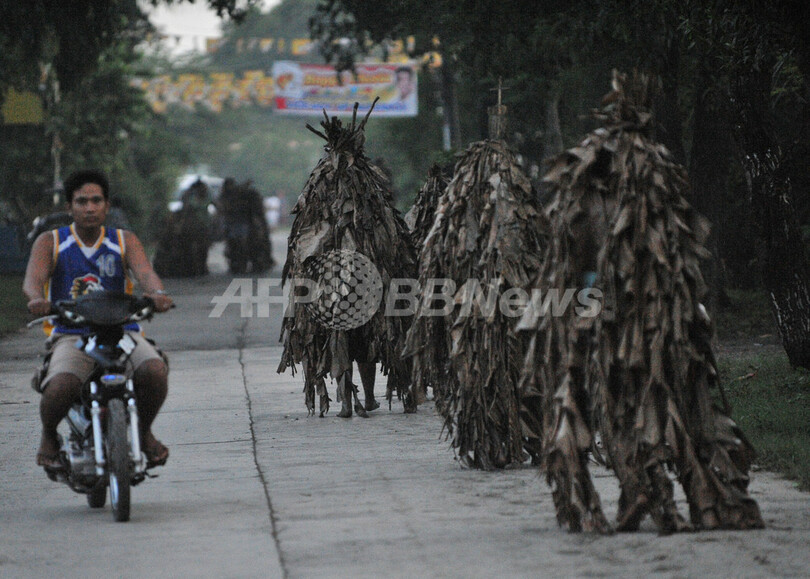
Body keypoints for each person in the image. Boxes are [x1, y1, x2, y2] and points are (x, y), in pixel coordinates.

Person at [23, 169, 174, 473]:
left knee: (155, 370)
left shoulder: (123, 240)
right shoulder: (51, 241)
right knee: (61, 384)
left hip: (121, 331)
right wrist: (37, 299)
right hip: (72, 334)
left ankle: (143, 432)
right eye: (82, 202)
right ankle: (49, 436)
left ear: (107, 206)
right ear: (70, 206)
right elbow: (33, 280)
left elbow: (145, 273)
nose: (89, 208)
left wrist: (157, 294)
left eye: (96, 201)